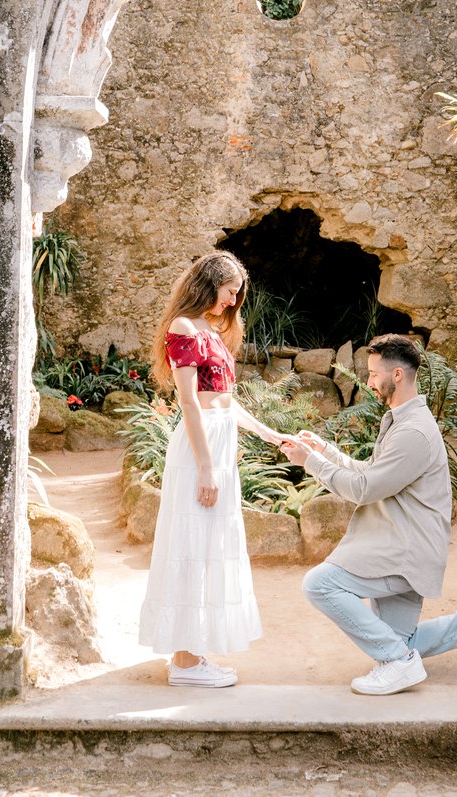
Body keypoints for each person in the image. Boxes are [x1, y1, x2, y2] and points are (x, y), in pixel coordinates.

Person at [281, 332, 457, 695]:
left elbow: (364, 489)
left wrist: (310, 463)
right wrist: (324, 451)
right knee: (401, 640)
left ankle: (399, 663)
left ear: (397, 375)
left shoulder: (413, 431)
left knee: (320, 584)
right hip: (400, 542)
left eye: (374, 374)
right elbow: (373, 473)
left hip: (404, 551)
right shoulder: (404, 420)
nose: (369, 381)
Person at [136, 249, 289, 687]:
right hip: (199, 449)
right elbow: (189, 402)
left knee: (210, 546)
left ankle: (192, 654)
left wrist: (269, 434)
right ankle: (185, 663)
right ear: (209, 284)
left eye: (237, 294)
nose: (232, 301)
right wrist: (206, 467)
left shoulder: (210, 330)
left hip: (217, 443)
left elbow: (225, 402)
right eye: (229, 291)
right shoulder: (183, 328)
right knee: (192, 545)